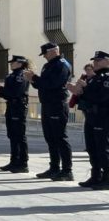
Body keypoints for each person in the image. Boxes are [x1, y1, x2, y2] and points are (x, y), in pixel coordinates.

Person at [25, 42, 73, 182]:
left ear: (53, 51)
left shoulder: (61, 65)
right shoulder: (49, 65)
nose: (44, 57)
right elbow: (42, 84)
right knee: (50, 138)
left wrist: (34, 78)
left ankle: (67, 170)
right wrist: (33, 79)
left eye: (45, 53)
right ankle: (54, 168)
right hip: (47, 104)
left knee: (60, 137)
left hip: (57, 104)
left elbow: (53, 84)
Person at [70, 50, 109, 188]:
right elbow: (85, 97)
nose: (95, 63)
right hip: (91, 116)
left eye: (98, 60)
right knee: (92, 147)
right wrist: (78, 91)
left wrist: (85, 89)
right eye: (94, 60)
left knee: (103, 148)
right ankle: (96, 175)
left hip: (103, 117)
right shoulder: (93, 77)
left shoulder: (106, 77)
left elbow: (101, 97)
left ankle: (107, 177)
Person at [0, 55, 31, 173]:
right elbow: (7, 94)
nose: (11, 64)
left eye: (13, 62)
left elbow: (16, 92)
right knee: (12, 135)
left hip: (19, 106)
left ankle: (23, 163)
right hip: (11, 106)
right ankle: (14, 161)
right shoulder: (10, 76)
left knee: (19, 135)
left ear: (20, 63)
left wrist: (1, 90)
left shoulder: (22, 75)